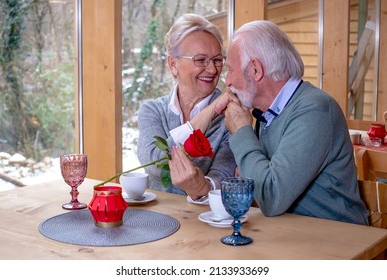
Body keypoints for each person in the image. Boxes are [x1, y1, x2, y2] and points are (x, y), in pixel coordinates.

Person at [210, 20, 368, 225]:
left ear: (256, 70)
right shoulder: (266, 113)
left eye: (230, 70)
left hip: (337, 242)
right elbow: (253, 180)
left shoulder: (315, 110)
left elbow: (270, 196)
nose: (227, 81)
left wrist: (241, 130)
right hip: (288, 233)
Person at [137, 14, 236, 202]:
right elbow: (155, 163)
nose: (213, 69)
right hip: (156, 219)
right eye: (200, 60)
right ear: (173, 64)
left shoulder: (231, 114)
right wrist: (210, 111)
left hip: (206, 221)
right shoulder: (152, 111)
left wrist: (202, 188)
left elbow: (224, 175)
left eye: (217, 60)